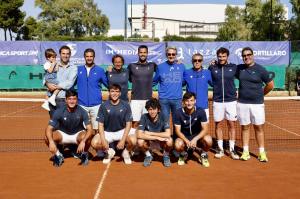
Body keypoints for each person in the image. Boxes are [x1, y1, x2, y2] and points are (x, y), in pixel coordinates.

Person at [236, 47, 274, 162]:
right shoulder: (239, 69)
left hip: (257, 104)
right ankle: (245, 152)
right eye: (244, 56)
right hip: (242, 103)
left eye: (248, 55)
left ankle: (262, 153)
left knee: (259, 128)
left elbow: (270, 85)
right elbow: (227, 69)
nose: (246, 57)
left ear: (253, 55)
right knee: (245, 127)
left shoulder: (261, 69)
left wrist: (261, 94)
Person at [45, 90, 93, 167]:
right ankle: (58, 155)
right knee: (47, 138)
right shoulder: (59, 111)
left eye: (74, 99)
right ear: (66, 100)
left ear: (77, 100)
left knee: (88, 136)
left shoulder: (82, 111)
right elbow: (49, 128)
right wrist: (50, 141)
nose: (72, 101)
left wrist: (83, 141)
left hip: (77, 135)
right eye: (70, 99)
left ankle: (84, 154)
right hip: (63, 135)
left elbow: (90, 129)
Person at [91, 84, 137, 164]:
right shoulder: (103, 105)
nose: (115, 93)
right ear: (109, 92)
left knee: (133, 140)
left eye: (117, 91)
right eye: (112, 91)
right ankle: (109, 152)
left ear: (120, 93)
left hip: (121, 130)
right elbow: (100, 125)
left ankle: (126, 153)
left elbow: (128, 124)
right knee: (94, 143)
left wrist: (123, 140)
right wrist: (103, 140)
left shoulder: (126, 105)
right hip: (108, 132)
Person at [208, 47, 239, 160]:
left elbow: (244, 77)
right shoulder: (212, 67)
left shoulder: (234, 67)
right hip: (217, 100)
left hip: (231, 100)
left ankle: (232, 149)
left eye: (223, 56)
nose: (221, 58)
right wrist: (210, 64)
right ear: (217, 57)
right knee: (218, 124)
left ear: (227, 57)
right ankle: (220, 148)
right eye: (219, 56)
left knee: (231, 124)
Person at [173, 92, 212, 167]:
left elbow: (205, 129)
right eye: (187, 101)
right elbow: (177, 131)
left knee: (208, 140)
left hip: (197, 137)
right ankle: (183, 154)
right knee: (178, 144)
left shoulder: (201, 111)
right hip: (184, 138)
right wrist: (186, 140)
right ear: (183, 102)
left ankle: (203, 154)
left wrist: (195, 139)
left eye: (191, 100)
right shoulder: (178, 112)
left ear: (195, 101)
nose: (189, 103)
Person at [77, 48, 108, 134]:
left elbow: (109, 84)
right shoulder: (78, 69)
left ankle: (96, 147)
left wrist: (110, 73)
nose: (89, 58)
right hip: (81, 104)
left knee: (97, 130)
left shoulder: (100, 70)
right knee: (83, 130)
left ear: (94, 57)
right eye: (87, 56)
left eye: (91, 56)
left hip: (96, 105)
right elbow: (70, 84)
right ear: (84, 57)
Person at [153, 46, 185, 123]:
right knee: (164, 122)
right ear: (166, 55)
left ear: (176, 55)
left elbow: (184, 81)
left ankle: (176, 135)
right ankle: (165, 135)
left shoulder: (181, 66)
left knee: (177, 122)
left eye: (173, 54)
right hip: (164, 100)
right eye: (169, 54)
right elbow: (154, 81)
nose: (171, 56)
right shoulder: (160, 67)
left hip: (177, 99)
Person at [137, 98, 173, 167]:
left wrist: (151, 133)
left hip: (161, 142)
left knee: (170, 141)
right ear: (147, 110)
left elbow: (168, 134)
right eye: (150, 109)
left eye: (154, 109)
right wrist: (155, 137)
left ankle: (166, 156)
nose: (152, 112)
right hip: (150, 141)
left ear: (158, 109)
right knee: (140, 141)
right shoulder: (144, 117)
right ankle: (148, 156)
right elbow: (139, 134)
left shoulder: (164, 116)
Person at [128, 45, 157, 128]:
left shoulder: (152, 65)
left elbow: (162, 71)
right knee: (135, 123)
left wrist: (176, 63)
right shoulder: (131, 66)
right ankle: (135, 140)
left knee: (148, 123)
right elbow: (127, 77)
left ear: (147, 53)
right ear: (138, 53)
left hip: (148, 99)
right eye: (141, 52)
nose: (142, 54)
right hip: (135, 99)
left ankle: (145, 140)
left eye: (144, 52)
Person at [45, 45, 77, 118]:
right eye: (63, 53)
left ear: (70, 55)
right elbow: (46, 76)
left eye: (67, 54)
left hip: (65, 101)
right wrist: (47, 83)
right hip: (52, 100)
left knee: (66, 126)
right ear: (60, 54)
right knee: (54, 125)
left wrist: (55, 86)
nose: (65, 56)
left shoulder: (73, 68)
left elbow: (69, 83)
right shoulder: (53, 64)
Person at [183, 53, 212, 120]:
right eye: (195, 60)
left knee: (204, 128)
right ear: (192, 61)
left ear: (202, 61)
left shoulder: (207, 72)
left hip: (203, 107)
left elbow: (214, 84)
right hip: (189, 107)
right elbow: (179, 84)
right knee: (190, 129)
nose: (197, 62)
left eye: (199, 60)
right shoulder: (187, 72)